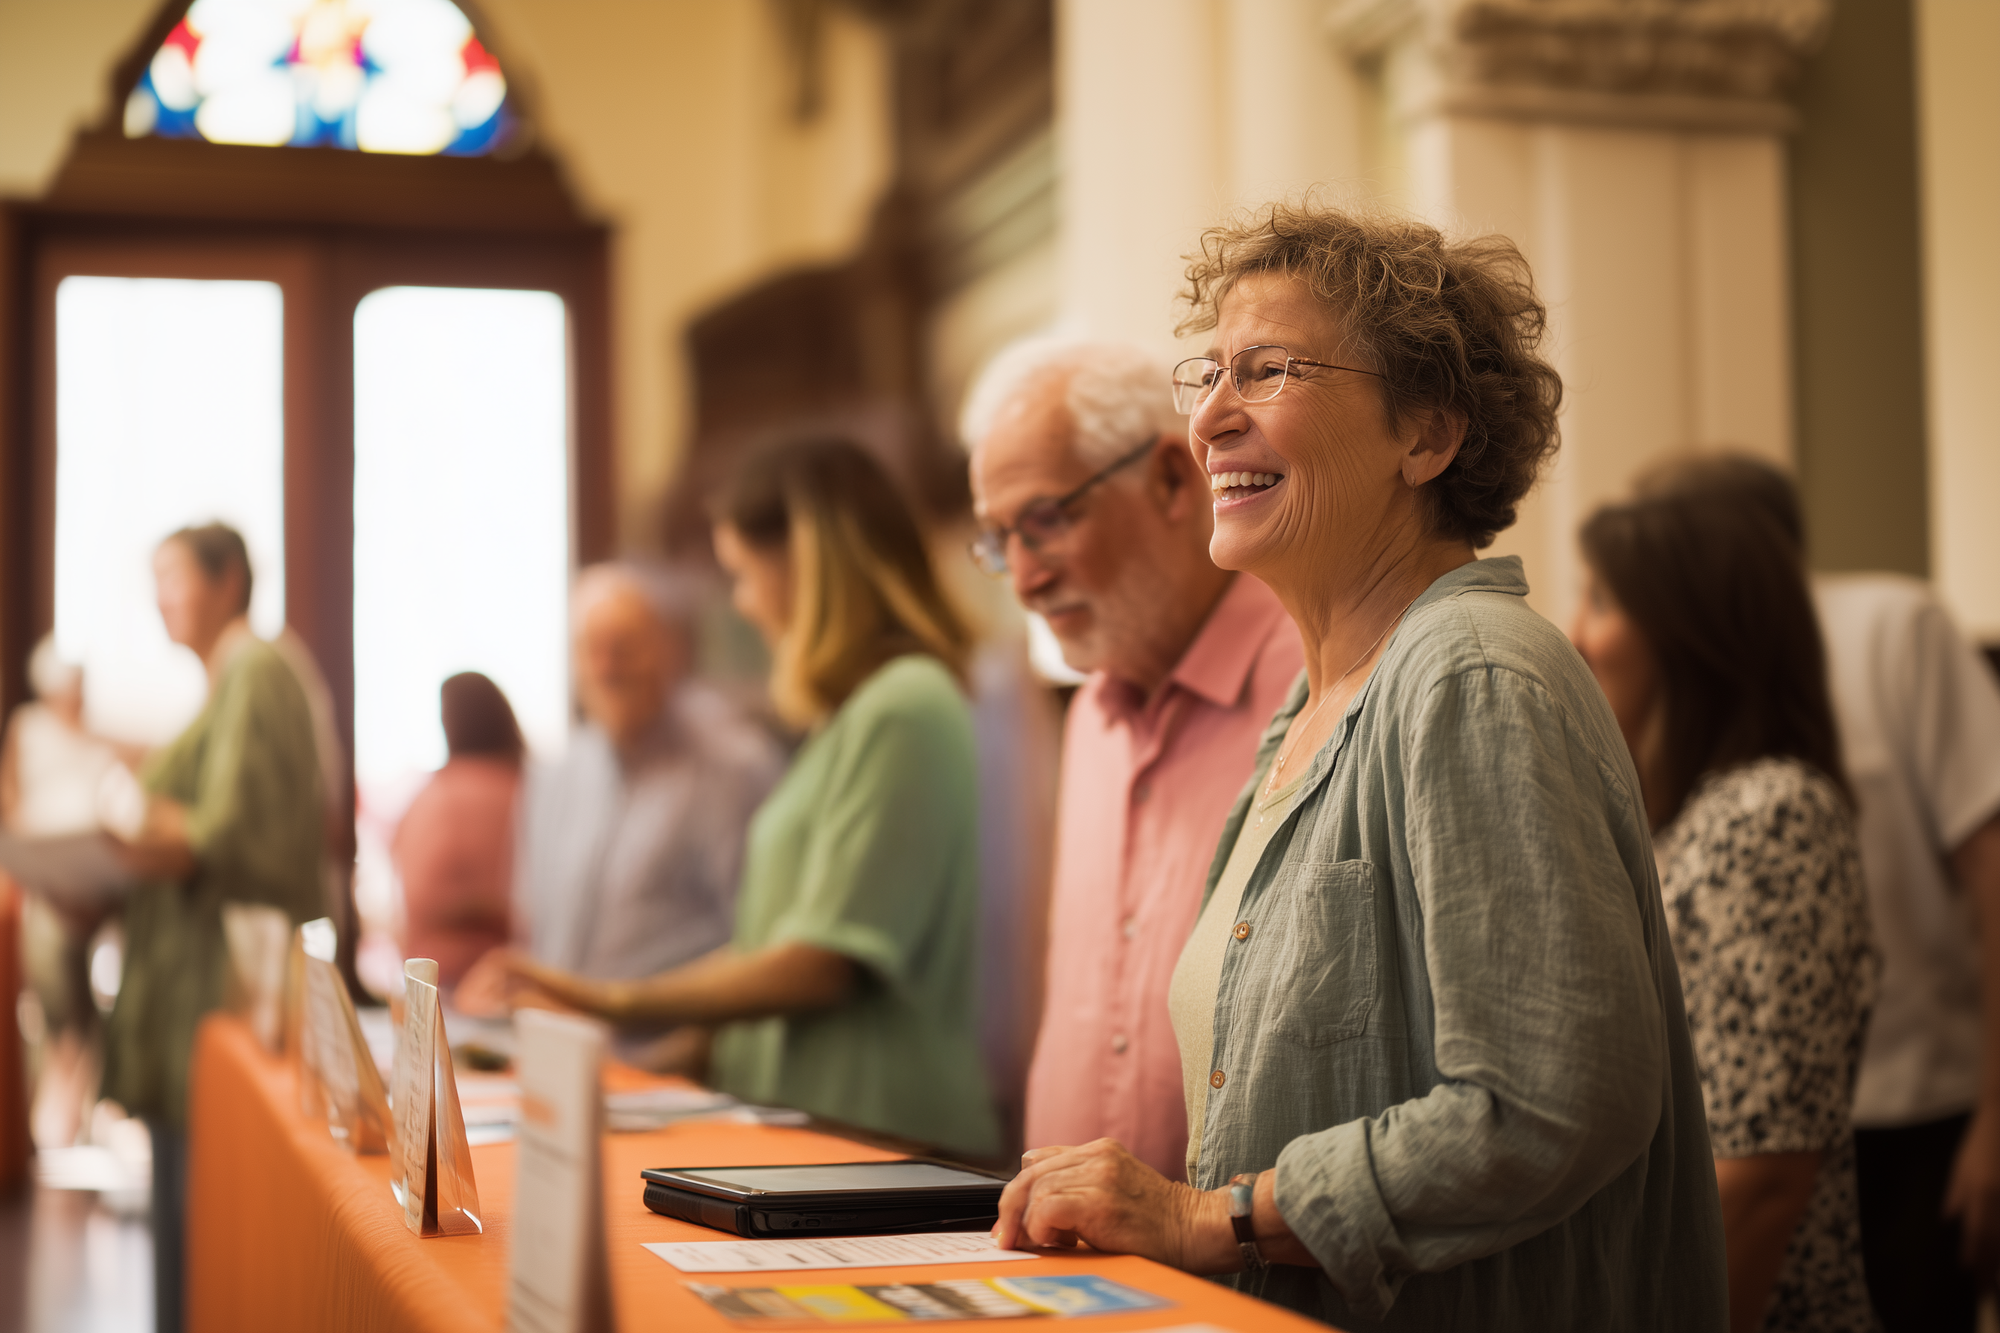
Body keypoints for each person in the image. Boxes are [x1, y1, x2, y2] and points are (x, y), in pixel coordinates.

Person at [992, 203, 1726, 1329]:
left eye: (1267, 371)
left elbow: (1549, 1104)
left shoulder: (1469, 672)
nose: (1209, 418)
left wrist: (1213, 1216)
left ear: (1423, 437)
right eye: (1210, 374)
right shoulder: (1309, 706)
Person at [504, 439, 1001, 1156]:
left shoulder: (906, 703)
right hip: (815, 1127)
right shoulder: (853, 716)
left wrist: (608, 999)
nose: (742, 602)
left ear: (806, 564)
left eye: (742, 572)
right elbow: (776, 938)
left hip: (880, 1133)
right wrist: (644, 1064)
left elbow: (822, 961)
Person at [1637, 452, 2000, 1330]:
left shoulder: (1895, 627)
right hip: (1737, 1130)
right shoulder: (1675, 661)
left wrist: (1997, 1115)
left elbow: (1992, 882)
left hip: (1917, 1112)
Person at [962, 337, 1301, 1180]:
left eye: (1044, 520)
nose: (1025, 580)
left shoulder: (1318, 685)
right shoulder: (1090, 719)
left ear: (1168, 479)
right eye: (1001, 540)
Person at [1572, 487, 1879, 1331]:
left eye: (1599, 598)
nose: (1574, 634)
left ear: (1688, 631)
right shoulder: (1686, 821)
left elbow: (1762, 1176)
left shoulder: (1770, 815)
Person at [102, 523, 324, 1333]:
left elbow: (231, 834)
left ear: (227, 580)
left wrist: (144, 824)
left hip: (220, 985)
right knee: (182, 1220)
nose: (162, 597)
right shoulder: (224, 682)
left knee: (205, 1227)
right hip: (186, 979)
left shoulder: (257, 668)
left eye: (175, 576)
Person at [456, 563, 782, 1061]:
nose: (607, 666)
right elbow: (535, 933)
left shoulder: (733, 769)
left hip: (671, 1078)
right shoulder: (555, 776)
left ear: (671, 652)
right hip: (556, 1070)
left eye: (625, 647)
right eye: (591, 649)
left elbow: (759, 947)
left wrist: (676, 1062)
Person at [1, 636, 121, 1148]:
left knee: (98, 1008)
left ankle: (86, 1111)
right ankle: (59, 1116)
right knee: (60, 1006)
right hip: (45, 886)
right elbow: (12, 800)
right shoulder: (27, 730)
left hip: (99, 888)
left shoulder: (101, 741)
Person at [391, 672, 524, 989]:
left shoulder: (427, 799)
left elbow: (410, 902)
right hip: (512, 978)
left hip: (430, 981)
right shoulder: (527, 791)